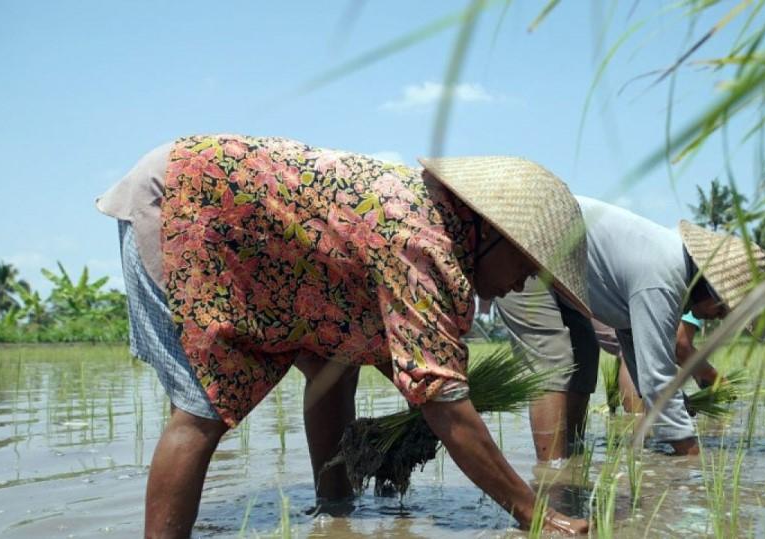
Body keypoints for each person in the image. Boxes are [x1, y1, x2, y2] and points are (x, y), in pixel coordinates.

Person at [95, 134, 592, 537]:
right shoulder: (422, 241)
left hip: (245, 233)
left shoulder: (439, 227)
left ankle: (333, 507)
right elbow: (444, 400)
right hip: (187, 206)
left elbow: (403, 373)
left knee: (332, 364)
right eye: (528, 266)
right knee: (201, 406)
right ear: (493, 233)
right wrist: (538, 518)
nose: (525, 284)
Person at [496, 195, 765, 459]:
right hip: (526, 247)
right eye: (722, 309)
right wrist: (692, 458)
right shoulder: (663, 277)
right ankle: (552, 473)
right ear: (709, 287)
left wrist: (676, 403)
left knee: (585, 354)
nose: (718, 317)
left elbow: (638, 350)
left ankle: (572, 456)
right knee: (552, 361)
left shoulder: (669, 272)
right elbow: (657, 380)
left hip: (562, 273)